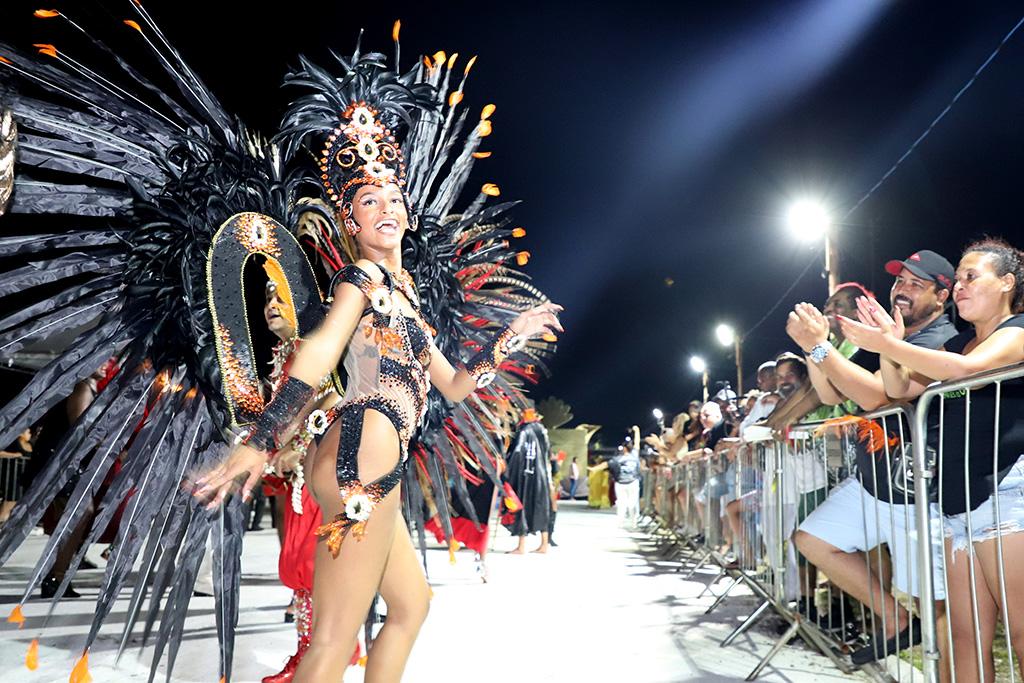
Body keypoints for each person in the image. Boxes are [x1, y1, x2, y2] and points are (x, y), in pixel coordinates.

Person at [196, 101, 562, 682]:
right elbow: (320, 349)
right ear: (351, 222)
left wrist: (510, 335)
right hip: (361, 454)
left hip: (367, 456)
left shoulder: (403, 298)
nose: (385, 206)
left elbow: (454, 386)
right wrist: (261, 439)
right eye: (369, 201)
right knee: (333, 641)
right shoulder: (361, 279)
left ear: (407, 214)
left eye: (393, 197)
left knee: (411, 607)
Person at [840, 238, 1024, 682]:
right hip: (958, 501)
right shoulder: (959, 343)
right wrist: (891, 344)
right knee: (965, 636)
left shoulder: (1017, 331)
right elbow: (900, 389)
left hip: (1008, 497)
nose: (960, 286)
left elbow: (968, 373)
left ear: (1006, 283)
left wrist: (889, 345)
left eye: (971, 277)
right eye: (957, 278)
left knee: (1021, 633)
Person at [791, 249, 957, 664]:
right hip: (872, 482)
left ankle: (946, 670)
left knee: (935, 606)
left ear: (942, 296)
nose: (902, 290)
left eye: (916, 284)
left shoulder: (942, 338)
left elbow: (877, 395)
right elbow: (831, 392)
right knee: (812, 540)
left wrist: (819, 346)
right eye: (900, 280)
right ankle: (897, 621)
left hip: (916, 494)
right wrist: (814, 348)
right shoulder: (888, 335)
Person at [503, 409, 554, 554]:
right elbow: (547, 452)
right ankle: (544, 544)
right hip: (541, 474)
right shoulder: (542, 430)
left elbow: (517, 451)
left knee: (523, 506)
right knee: (542, 507)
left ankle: (521, 546)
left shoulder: (524, 430)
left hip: (525, 474)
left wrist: (507, 470)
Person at [591, 426, 642, 528]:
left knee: (622, 503)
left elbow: (606, 464)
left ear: (624, 448)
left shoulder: (618, 458)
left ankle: (621, 521)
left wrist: (594, 469)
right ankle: (633, 521)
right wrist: (637, 431)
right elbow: (637, 443)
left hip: (621, 483)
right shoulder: (634, 455)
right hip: (633, 482)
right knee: (633, 503)